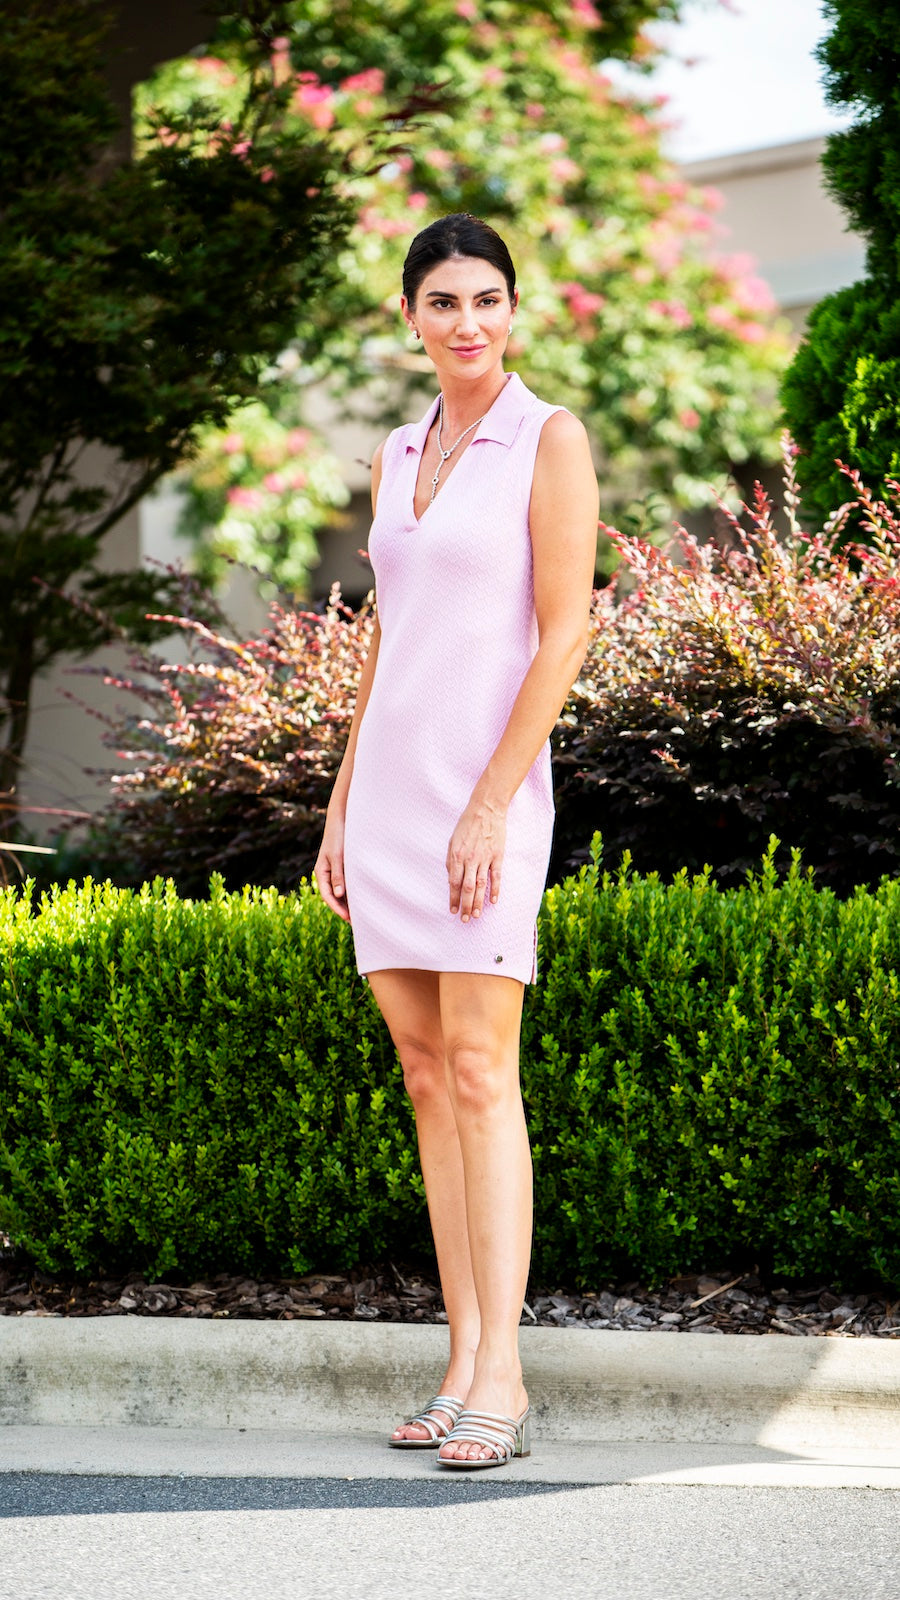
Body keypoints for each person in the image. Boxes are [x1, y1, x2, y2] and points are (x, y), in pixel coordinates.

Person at [314, 212, 598, 1469]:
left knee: (484, 1072)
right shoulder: (396, 449)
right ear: (412, 317)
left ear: (513, 311)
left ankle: (506, 1379)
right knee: (427, 1073)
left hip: (488, 797)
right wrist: (340, 803)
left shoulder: (549, 437)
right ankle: (461, 1356)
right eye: (444, 301)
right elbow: (389, 632)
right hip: (388, 797)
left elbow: (565, 632)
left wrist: (492, 799)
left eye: (488, 298)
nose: (468, 321)